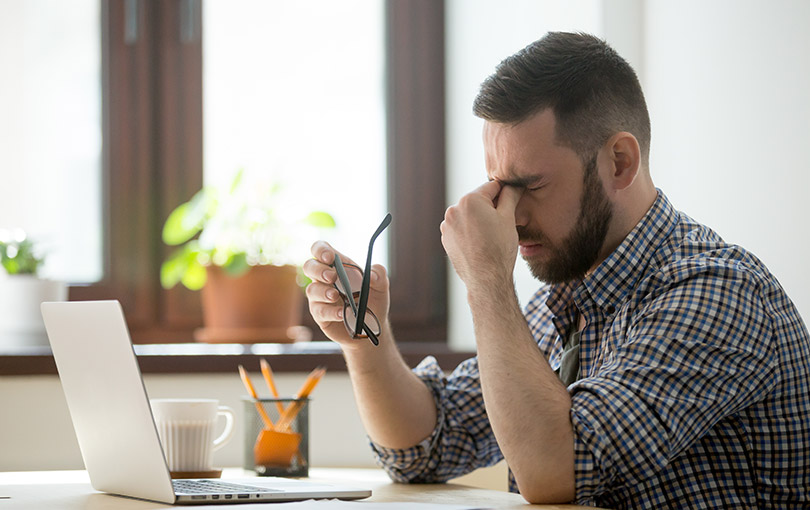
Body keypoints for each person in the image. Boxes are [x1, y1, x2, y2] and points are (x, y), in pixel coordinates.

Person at [303, 32, 810, 508]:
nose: (511, 215)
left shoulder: (718, 293)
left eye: (531, 185)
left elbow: (556, 470)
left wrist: (486, 278)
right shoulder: (565, 301)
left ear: (619, 162)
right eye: (499, 186)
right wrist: (362, 340)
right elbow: (426, 446)